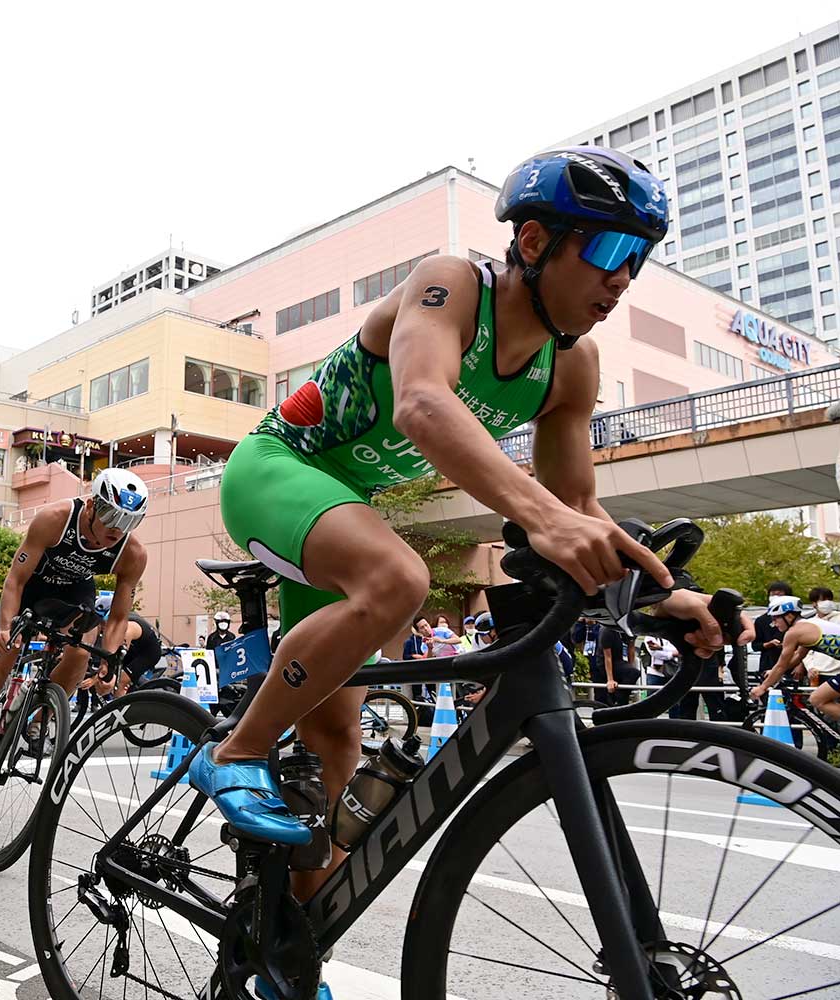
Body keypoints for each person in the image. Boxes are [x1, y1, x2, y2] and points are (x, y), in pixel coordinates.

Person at [195, 148, 735, 992]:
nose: (622, 280)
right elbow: (421, 401)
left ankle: (287, 955)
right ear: (532, 240)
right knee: (400, 582)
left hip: (347, 509)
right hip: (277, 470)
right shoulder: (452, 285)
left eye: (637, 260)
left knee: (338, 757)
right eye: (605, 254)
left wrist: (665, 595)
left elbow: (575, 505)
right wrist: (544, 518)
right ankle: (233, 751)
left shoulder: (572, 365)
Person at [0, 468, 149, 802]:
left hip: (74, 594)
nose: (116, 529)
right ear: (93, 505)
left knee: (81, 651)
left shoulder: (132, 553)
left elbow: (120, 615)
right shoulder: (54, 518)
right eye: (110, 515)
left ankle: (42, 716)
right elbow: (15, 581)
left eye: (128, 522)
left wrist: (109, 660)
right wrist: (6, 628)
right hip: (31, 590)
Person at [751, 595, 840, 727]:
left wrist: (763, 687)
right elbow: (798, 656)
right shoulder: (808, 625)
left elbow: (782, 665)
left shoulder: (794, 632)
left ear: (789, 616)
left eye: (776, 618)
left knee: (817, 699)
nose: (774, 623)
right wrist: (773, 671)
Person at [88, 593, 165, 696]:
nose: (100, 626)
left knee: (120, 682)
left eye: (102, 622)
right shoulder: (110, 626)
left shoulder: (127, 627)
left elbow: (117, 655)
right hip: (133, 652)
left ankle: (120, 710)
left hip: (148, 653)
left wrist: (103, 675)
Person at [751, 580, 794, 682]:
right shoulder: (761, 620)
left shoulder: (794, 619)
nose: (775, 597)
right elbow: (755, 646)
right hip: (768, 664)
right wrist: (769, 644)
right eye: (772, 594)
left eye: (779, 595)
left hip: (790, 665)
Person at [593, 623, 636, 707]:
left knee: (633, 672)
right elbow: (607, 657)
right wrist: (610, 680)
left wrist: (630, 667)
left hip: (619, 661)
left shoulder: (629, 628)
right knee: (602, 697)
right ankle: (615, 698)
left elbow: (631, 648)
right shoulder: (607, 630)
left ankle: (621, 700)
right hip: (603, 663)